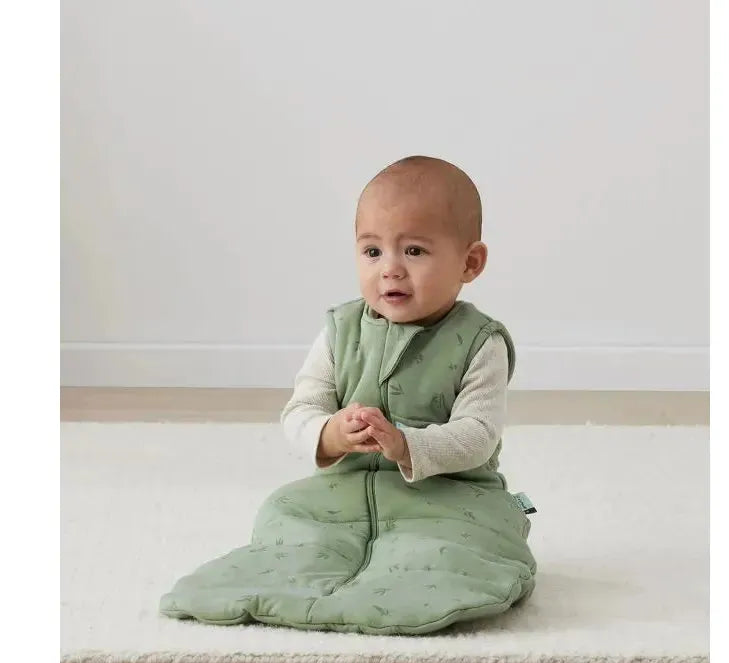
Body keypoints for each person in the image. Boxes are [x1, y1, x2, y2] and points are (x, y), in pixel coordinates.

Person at [159, 155, 537, 635]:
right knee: (283, 511)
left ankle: (416, 583)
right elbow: (302, 409)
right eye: (372, 251)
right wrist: (331, 434)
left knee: (462, 539)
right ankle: (304, 574)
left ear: (470, 262)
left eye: (414, 251)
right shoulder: (340, 332)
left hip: (448, 497)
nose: (390, 270)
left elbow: (478, 435)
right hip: (342, 494)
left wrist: (406, 444)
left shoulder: (480, 342)